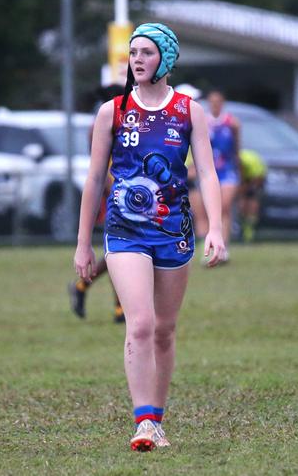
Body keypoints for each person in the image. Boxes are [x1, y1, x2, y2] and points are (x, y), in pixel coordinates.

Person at [73, 23, 226, 451]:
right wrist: (84, 241)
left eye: (147, 52)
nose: (137, 59)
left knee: (164, 330)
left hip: (172, 231)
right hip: (124, 231)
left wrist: (215, 228)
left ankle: (157, 420)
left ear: (167, 60)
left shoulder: (189, 110)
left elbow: (209, 173)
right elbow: (93, 180)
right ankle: (142, 423)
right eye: (133, 52)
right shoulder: (113, 111)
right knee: (139, 324)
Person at [69, 84, 125, 323]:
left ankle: (81, 286)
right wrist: (114, 192)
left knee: (120, 254)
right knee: (119, 253)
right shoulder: (99, 126)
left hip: (127, 194)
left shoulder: (128, 122)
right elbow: (100, 169)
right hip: (112, 195)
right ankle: (119, 308)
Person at [189, 89, 240, 261]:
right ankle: (209, 247)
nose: (215, 105)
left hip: (227, 170)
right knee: (205, 210)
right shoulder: (204, 122)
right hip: (210, 170)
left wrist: (238, 166)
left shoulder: (232, 123)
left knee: (224, 206)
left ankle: (223, 246)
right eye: (212, 102)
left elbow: (236, 147)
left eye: (218, 102)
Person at [238, 149, 267, 242]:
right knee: (242, 204)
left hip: (257, 177)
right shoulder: (234, 164)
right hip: (246, 178)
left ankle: (250, 231)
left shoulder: (252, 164)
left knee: (252, 203)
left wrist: (245, 188)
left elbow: (258, 181)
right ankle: (243, 227)